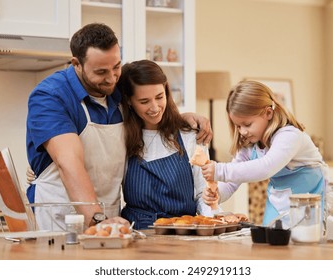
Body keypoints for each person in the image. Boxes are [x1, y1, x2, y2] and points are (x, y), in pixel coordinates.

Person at [26, 23, 212, 231]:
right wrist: (96, 219)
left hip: (110, 217)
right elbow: (68, 163)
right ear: (76, 64)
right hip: (61, 217)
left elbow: (150, 104)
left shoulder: (117, 89)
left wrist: (180, 118)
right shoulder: (51, 96)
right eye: (101, 71)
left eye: (116, 66)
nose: (112, 77)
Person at [201, 80, 328, 227]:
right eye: (238, 126)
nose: (242, 131)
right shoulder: (250, 145)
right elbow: (231, 182)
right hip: (277, 205)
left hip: (308, 206)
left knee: (304, 245)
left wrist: (219, 170)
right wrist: (217, 193)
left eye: (247, 124)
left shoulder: (289, 136)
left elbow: (266, 167)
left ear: (268, 113)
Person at [116, 60, 220, 229]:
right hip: (137, 234)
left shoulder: (189, 135)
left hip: (183, 231)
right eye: (144, 101)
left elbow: (203, 193)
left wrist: (211, 222)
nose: (155, 107)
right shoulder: (122, 137)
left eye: (159, 97)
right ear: (129, 101)